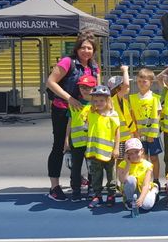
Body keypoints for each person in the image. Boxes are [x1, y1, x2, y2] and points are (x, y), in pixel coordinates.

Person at [46, 30, 100, 201]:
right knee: (61, 146)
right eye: (83, 47)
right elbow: (50, 82)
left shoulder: (94, 66)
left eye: (89, 48)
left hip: (86, 112)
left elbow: (97, 89)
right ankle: (54, 187)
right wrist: (69, 99)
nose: (86, 51)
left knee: (85, 146)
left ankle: (79, 178)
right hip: (63, 109)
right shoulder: (67, 62)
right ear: (77, 48)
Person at [85, 85, 120, 208]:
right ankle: (97, 195)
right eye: (95, 101)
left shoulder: (112, 115)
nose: (98, 103)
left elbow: (117, 132)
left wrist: (116, 148)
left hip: (108, 152)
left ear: (108, 101)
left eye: (101, 100)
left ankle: (111, 195)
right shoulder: (91, 113)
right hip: (94, 152)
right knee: (96, 175)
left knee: (111, 175)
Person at [63, 75, 95, 202]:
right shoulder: (74, 104)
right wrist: (66, 140)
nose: (85, 90)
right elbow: (69, 123)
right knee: (75, 168)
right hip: (76, 143)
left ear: (94, 88)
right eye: (82, 87)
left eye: (88, 87)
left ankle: (92, 189)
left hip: (91, 143)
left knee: (92, 167)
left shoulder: (97, 104)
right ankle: (76, 190)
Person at [129, 68, 162, 188]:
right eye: (139, 81)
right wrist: (136, 133)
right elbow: (132, 117)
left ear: (151, 82)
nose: (142, 84)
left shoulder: (155, 98)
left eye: (145, 81)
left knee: (153, 157)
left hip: (152, 135)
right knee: (142, 158)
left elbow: (157, 117)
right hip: (138, 135)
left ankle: (156, 180)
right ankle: (143, 180)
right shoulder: (132, 98)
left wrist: (152, 135)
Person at [117, 138, 159, 211]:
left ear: (142, 151)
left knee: (147, 206)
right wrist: (128, 164)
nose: (134, 155)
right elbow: (123, 180)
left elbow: (146, 185)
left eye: (136, 152)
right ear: (127, 154)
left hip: (142, 189)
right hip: (130, 191)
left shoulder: (147, 165)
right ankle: (129, 200)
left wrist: (141, 198)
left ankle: (154, 190)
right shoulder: (123, 164)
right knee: (131, 179)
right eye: (130, 153)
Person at [107, 65, 136, 160]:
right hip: (119, 139)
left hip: (126, 138)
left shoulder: (123, 101)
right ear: (118, 88)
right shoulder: (114, 99)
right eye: (123, 84)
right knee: (119, 162)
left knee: (125, 162)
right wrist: (125, 70)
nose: (128, 86)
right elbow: (127, 84)